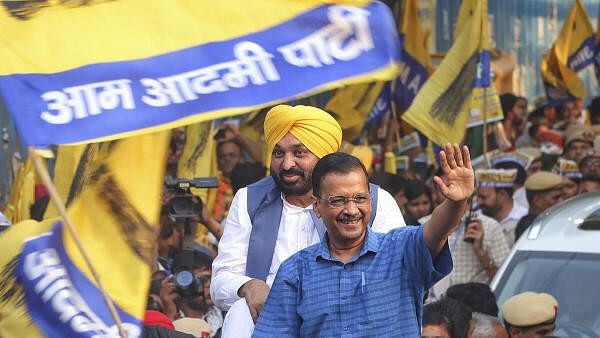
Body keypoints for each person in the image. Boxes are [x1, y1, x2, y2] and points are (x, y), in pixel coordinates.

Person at [211, 105, 405, 338]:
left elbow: (395, 273)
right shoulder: (249, 200)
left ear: (325, 157)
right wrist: (249, 286)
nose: (287, 164)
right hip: (269, 321)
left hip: (348, 321)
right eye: (278, 153)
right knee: (241, 311)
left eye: (299, 153)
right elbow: (221, 280)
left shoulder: (372, 200)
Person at [252, 144, 474, 337]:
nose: (351, 210)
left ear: (370, 199)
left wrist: (457, 203)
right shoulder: (295, 271)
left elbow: (436, 231)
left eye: (359, 198)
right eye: (338, 200)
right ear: (317, 206)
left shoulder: (400, 250)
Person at [476, 169, 527, 245]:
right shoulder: (477, 217)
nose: (478, 202)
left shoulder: (523, 218)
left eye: (483, 197)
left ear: (502, 195)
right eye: (478, 197)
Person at [514, 172, 563, 241]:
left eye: (561, 196)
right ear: (538, 200)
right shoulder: (530, 227)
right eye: (556, 198)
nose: (561, 201)